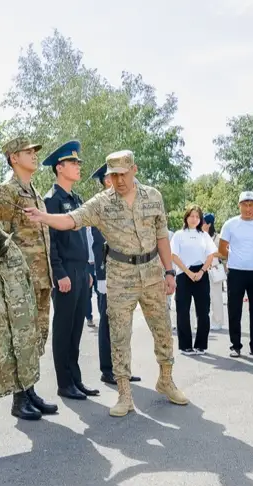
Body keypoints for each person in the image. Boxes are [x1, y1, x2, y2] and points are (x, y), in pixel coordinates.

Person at [25, 150, 188, 418]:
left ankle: (166, 380)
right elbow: (71, 219)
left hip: (151, 272)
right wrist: (43, 217)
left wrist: (169, 272)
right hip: (120, 275)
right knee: (120, 335)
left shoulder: (153, 196)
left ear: (134, 170)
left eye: (123, 174)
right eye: (113, 175)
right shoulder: (102, 203)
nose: (118, 180)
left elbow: (162, 237)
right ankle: (124, 394)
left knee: (162, 329)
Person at [0, 136, 59, 418]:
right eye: (27, 151)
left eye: (34, 151)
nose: (33, 155)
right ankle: (19, 399)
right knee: (21, 339)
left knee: (37, 337)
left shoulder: (33, 191)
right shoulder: (8, 192)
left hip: (42, 279)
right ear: (13, 157)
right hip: (21, 282)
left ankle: (30, 391)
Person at [42, 140, 99, 400]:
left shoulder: (77, 199)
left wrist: (87, 269)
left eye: (78, 163)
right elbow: (50, 240)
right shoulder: (51, 200)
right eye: (73, 163)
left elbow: (82, 237)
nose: (78, 167)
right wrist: (59, 273)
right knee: (64, 328)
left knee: (76, 327)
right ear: (59, 167)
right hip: (64, 271)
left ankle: (75, 379)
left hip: (80, 269)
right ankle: (64, 383)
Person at [90, 163, 141, 385]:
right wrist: (101, 275)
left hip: (126, 273)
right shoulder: (101, 205)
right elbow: (97, 243)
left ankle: (122, 368)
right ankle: (108, 369)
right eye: (115, 177)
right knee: (108, 322)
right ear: (106, 181)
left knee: (123, 323)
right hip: (107, 272)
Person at [218, 191, 253, 358]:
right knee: (235, 310)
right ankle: (235, 345)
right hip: (236, 272)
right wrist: (236, 259)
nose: (248, 209)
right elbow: (222, 248)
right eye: (245, 205)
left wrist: (251, 258)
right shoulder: (230, 224)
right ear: (239, 205)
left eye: (252, 205)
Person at [171, 205, 218, 355]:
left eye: (197, 217)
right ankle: (185, 346)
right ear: (186, 217)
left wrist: (202, 271)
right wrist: (188, 272)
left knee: (203, 311)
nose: (194, 219)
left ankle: (201, 345)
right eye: (191, 216)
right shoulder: (179, 234)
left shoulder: (204, 235)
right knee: (183, 311)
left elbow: (211, 255)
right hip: (184, 274)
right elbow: (173, 256)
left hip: (201, 274)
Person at [201, 213, 225, 330]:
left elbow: (224, 254)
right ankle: (202, 321)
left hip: (215, 269)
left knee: (216, 297)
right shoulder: (199, 236)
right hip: (202, 269)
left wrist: (211, 253)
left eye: (204, 222)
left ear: (209, 224)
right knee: (202, 297)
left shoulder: (218, 238)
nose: (201, 224)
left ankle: (217, 322)